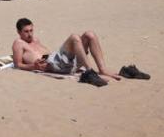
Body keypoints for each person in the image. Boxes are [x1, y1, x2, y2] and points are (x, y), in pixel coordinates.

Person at [11, 17, 148, 87]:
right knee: (74, 37)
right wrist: (33, 66)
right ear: (19, 32)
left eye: (31, 30)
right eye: (26, 31)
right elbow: (18, 64)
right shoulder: (18, 43)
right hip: (52, 64)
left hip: (61, 61)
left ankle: (103, 69)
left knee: (90, 34)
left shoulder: (36, 39)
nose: (29, 34)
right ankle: (89, 72)